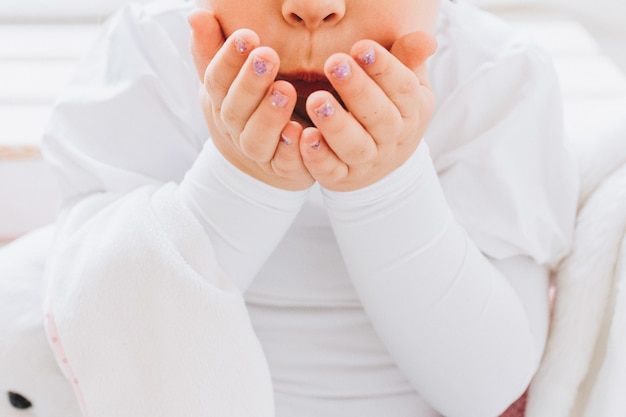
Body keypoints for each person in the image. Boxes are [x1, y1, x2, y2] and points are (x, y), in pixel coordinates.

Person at [37, 0, 578, 416]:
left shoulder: (498, 80)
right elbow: (99, 331)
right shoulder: (147, 54)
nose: (313, 7)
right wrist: (240, 180)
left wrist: (384, 186)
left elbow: (488, 388)